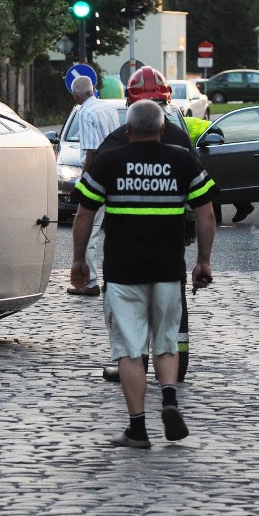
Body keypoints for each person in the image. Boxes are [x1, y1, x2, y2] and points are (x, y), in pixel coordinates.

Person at [71, 98, 218, 448]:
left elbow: (83, 215)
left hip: (123, 272)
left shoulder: (108, 161)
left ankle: (137, 429)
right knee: (166, 342)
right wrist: (204, 260)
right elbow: (207, 214)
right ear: (163, 128)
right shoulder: (182, 160)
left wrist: (79, 261)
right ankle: (168, 397)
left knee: (129, 351)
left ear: (128, 129)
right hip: (168, 270)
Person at [96, 67, 194, 384]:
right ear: (166, 102)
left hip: (123, 250)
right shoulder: (180, 138)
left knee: (130, 313)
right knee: (171, 311)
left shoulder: (114, 141)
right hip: (169, 248)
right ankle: (175, 367)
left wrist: (79, 256)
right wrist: (196, 242)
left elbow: (89, 198)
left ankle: (132, 364)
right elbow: (200, 201)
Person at [66, 75, 120, 297]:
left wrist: (84, 183)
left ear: (75, 96)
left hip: (97, 178)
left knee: (88, 233)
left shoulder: (85, 113)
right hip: (116, 175)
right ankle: (116, 280)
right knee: (115, 232)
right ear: (94, 89)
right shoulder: (108, 108)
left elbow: (91, 150)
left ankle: (90, 283)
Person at [184, 116, 254, 224]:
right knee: (212, 178)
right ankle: (241, 207)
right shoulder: (173, 122)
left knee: (210, 179)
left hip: (210, 133)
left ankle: (240, 208)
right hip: (209, 132)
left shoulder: (171, 126)